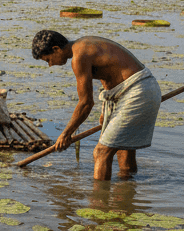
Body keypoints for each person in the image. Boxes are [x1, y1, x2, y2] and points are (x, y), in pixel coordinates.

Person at [31, 30, 161, 179]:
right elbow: (108, 75)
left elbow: (86, 103)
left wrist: (66, 134)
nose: (50, 65)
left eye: (48, 60)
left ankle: (100, 194)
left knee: (101, 152)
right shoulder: (84, 45)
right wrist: (106, 110)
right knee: (123, 149)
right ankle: (127, 188)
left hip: (137, 91)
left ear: (56, 49)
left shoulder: (79, 56)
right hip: (140, 89)